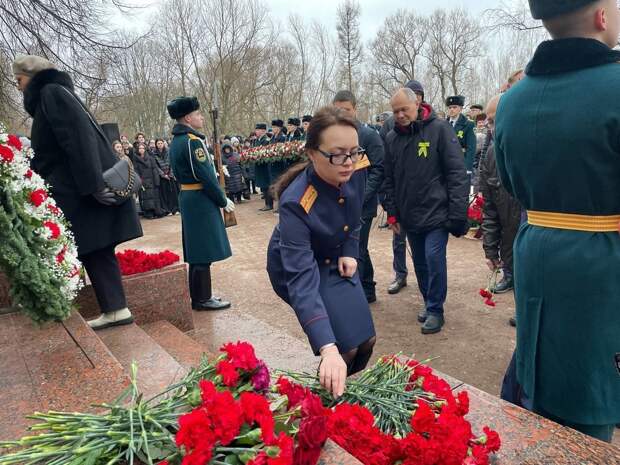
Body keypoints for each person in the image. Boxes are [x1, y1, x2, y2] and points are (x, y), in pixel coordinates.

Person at [494, 0, 620, 442]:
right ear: (603, 15)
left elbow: (509, 181)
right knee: (591, 391)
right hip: (602, 260)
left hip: (537, 247)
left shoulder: (511, 101)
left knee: (546, 373)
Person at [13, 54, 143, 330]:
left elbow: (78, 140)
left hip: (79, 190)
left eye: (19, 79)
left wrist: (93, 185)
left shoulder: (50, 94)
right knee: (95, 250)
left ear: (32, 76)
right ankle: (115, 309)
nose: (18, 86)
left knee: (95, 248)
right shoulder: (58, 93)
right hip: (78, 187)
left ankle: (115, 309)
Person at [267, 106, 376, 398]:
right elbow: (300, 279)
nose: (349, 162)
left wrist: (350, 250)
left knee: (366, 342)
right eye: (338, 154)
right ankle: (326, 402)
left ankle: (344, 395)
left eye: (354, 152)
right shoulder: (296, 202)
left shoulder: (355, 169)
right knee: (344, 348)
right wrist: (327, 349)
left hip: (336, 255)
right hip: (300, 266)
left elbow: (355, 216)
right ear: (313, 154)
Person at [383, 88, 469, 334]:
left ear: (417, 104)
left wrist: (458, 213)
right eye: (395, 111)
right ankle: (428, 300)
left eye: (404, 109)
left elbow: (456, 173)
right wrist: (392, 213)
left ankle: (435, 310)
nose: (399, 115)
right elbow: (388, 180)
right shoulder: (391, 138)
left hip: (437, 213)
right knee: (420, 262)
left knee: (433, 258)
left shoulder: (439, 129)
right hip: (410, 215)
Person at [167, 96, 235, 311]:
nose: (201, 117)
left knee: (197, 252)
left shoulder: (179, 141)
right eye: (197, 114)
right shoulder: (192, 141)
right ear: (188, 118)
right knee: (203, 251)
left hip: (191, 198)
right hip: (200, 199)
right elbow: (204, 176)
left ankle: (200, 296)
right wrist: (222, 199)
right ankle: (202, 298)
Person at [333, 90, 384, 303]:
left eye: (346, 110)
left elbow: (378, 169)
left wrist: (361, 196)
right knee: (354, 246)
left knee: (357, 246)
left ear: (355, 109)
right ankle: (367, 286)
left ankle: (361, 293)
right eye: (338, 110)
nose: (342, 113)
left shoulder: (369, 136)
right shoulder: (334, 135)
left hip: (363, 204)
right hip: (340, 203)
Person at [379, 80, 426, 296]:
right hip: (399, 197)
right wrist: (388, 203)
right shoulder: (389, 126)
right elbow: (385, 167)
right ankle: (400, 274)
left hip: (423, 198)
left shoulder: (429, 124)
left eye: (418, 95)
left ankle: (426, 281)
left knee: (425, 247)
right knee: (399, 239)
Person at [479, 95, 521, 301]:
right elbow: (490, 209)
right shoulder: (490, 156)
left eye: (495, 121)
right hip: (509, 244)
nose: (490, 127)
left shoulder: (536, 151)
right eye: (489, 121)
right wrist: (490, 250)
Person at [446, 96, 477, 185]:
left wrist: (468, 168)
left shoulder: (468, 125)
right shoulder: (443, 124)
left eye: (454, 107)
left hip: (461, 163)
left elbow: (471, 148)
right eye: (450, 107)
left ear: (460, 108)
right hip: (446, 164)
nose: (451, 110)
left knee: (460, 192)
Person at [133, 142, 164, 219]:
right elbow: (136, 171)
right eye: (140, 148)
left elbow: (155, 170)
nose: (141, 150)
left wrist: (157, 181)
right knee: (146, 198)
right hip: (143, 181)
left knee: (154, 197)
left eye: (143, 148)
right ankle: (148, 213)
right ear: (137, 149)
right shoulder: (136, 159)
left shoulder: (150, 158)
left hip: (152, 180)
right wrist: (140, 181)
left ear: (145, 149)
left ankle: (156, 212)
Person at [153, 138, 180, 215]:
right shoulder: (154, 154)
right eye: (158, 143)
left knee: (174, 193)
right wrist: (163, 175)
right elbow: (156, 166)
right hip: (162, 177)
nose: (160, 145)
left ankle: (176, 209)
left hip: (171, 176)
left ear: (163, 144)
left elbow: (172, 162)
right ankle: (168, 210)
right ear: (156, 145)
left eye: (161, 143)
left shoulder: (168, 151)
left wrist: (170, 173)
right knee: (165, 194)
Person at [253, 123, 273, 211]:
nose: (256, 131)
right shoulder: (257, 140)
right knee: (263, 186)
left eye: (258, 130)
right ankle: (267, 203)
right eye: (256, 130)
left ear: (263, 131)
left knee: (267, 185)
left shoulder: (266, 140)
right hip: (259, 166)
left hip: (265, 166)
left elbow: (266, 153)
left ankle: (269, 204)